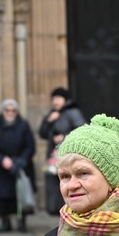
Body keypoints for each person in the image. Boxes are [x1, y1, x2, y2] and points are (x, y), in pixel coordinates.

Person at [0, 98, 36, 232]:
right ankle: (5, 221)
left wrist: (22, 160)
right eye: (7, 110)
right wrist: (2, 160)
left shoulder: (23, 126)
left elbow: (30, 146)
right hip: (2, 169)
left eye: (13, 110)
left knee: (21, 194)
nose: (10, 113)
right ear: (3, 111)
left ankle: (22, 221)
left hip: (21, 166)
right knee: (2, 197)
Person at [38, 87, 86, 215]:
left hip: (69, 156)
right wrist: (49, 121)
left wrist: (64, 136)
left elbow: (82, 130)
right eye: (53, 99)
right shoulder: (52, 113)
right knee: (53, 182)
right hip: (53, 156)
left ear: (65, 99)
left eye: (58, 98)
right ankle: (54, 210)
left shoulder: (72, 112)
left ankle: (67, 210)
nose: (55, 101)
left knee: (66, 181)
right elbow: (42, 133)